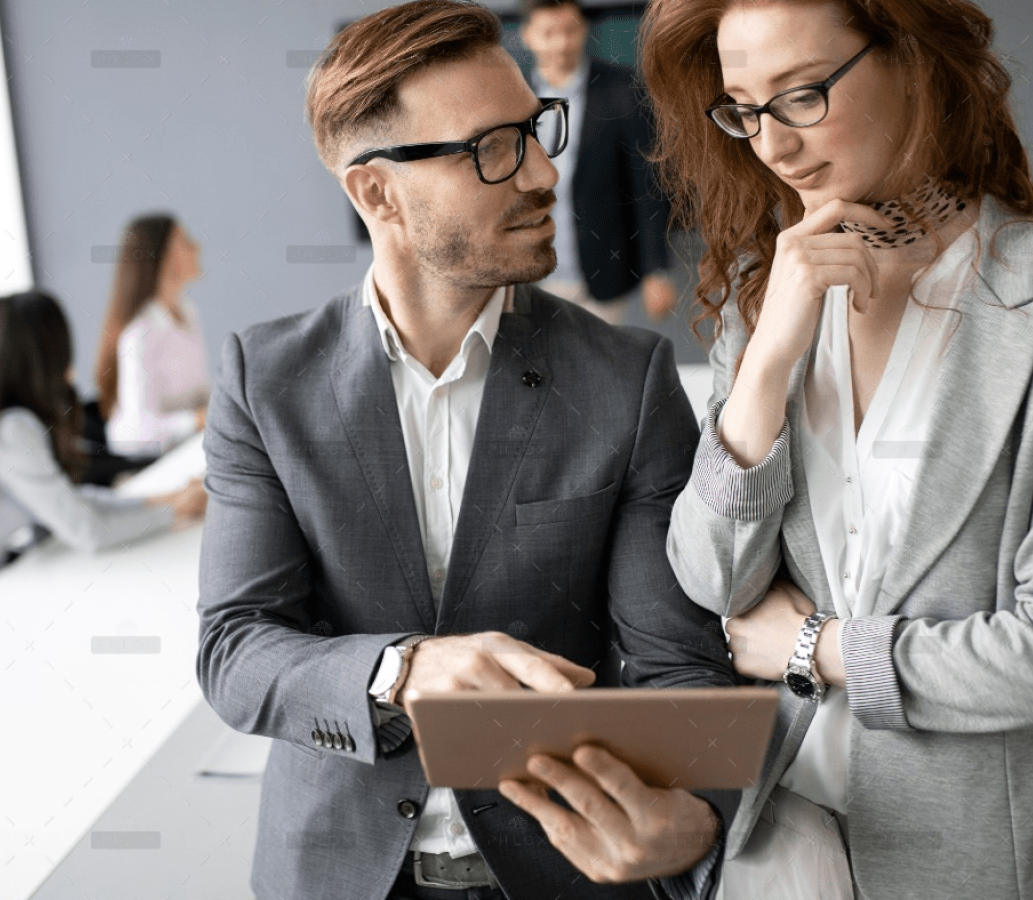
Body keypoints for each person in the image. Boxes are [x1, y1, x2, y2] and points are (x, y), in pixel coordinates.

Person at [196, 3, 736, 899]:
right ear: (377, 193)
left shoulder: (626, 380)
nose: (540, 173)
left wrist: (699, 818)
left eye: (535, 130)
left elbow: (681, 668)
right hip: (337, 872)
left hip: (567, 874)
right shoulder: (266, 379)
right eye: (492, 148)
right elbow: (236, 649)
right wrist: (401, 670)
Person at [615, 0, 1033, 896]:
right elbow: (713, 582)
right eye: (743, 109)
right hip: (776, 841)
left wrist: (819, 647)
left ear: (911, 57)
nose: (773, 147)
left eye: (802, 95)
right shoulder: (766, 289)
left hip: (978, 852)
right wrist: (767, 360)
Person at [0, 290, 205, 648]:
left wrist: (164, 500)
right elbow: (87, 531)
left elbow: (67, 503)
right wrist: (173, 511)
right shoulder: (10, 430)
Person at [519, 0, 676, 323]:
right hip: (530, 274)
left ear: (585, 30)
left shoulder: (621, 89)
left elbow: (646, 185)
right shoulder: (511, 95)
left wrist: (656, 270)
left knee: (598, 369)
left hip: (604, 270)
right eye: (549, 32)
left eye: (570, 30)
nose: (562, 42)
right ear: (527, 36)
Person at [94, 214, 210, 459]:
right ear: (165, 256)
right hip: (147, 459)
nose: (196, 247)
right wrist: (196, 420)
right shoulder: (140, 335)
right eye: (186, 241)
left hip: (187, 446)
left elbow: (200, 394)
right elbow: (138, 430)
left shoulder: (189, 314)